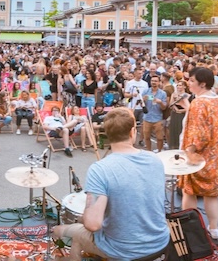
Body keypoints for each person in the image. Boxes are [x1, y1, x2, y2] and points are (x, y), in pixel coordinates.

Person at [51, 108, 169, 260]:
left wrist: (85, 215)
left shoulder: (100, 169)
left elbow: (93, 224)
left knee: (60, 230)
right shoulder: (154, 159)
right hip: (160, 242)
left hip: (123, 251)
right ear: (133, 132)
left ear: (107, 134)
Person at [179, 67, 218, 239]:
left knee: (189, 191)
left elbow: (199, 134)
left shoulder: (199, 102)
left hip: (199, 156)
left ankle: (190, 229)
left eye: (191, 81)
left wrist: (188, 152)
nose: (188, 83)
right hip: (217, 155)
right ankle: (214, 229)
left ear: (202, 84)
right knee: (212, 195)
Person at [142, 75, 168, 152]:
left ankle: (160, 151)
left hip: (158, 118)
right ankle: (149, 152)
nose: (154, 82)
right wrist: (143, 100)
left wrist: (160, 102)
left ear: (159, 82)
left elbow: (164, 108)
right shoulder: (146, 91)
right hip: (147, 117)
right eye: (152, 81)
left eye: (156, 81)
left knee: (160, 138)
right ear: (150, 82)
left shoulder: (163, 93)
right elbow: (141, 105)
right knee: (146, 137)